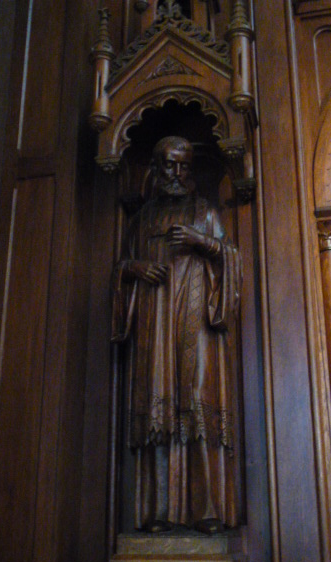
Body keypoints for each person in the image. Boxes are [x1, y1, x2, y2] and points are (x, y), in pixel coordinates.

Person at [112, 136, 242, 534]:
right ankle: (158, 512)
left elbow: (233, 259)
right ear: (155, 166)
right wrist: (132, 270)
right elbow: (121, 267)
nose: (178, 174)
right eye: (169, 165)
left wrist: (201, 241)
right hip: (155, 322)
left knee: (198, 400)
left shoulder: (205, 212)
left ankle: (207, 510)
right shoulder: (142, 218)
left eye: (185, 166)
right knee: (157, 404)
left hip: (196, 321)